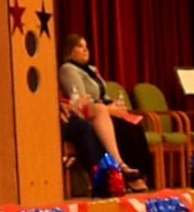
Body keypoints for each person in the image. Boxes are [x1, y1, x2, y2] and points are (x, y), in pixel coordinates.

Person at [58, 34, 153, 189]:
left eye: (86, 47)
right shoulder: (68, 69)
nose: (85, 50)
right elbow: (81, 99)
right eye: (80, 47)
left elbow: (104, 94)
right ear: (70, 51)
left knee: (133, 124)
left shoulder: (91, 70)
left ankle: (139, 175)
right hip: (87, 112)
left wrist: (114, 105)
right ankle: (122, 170)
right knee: (121, 126)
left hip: (102, 109)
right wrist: (109, 109)